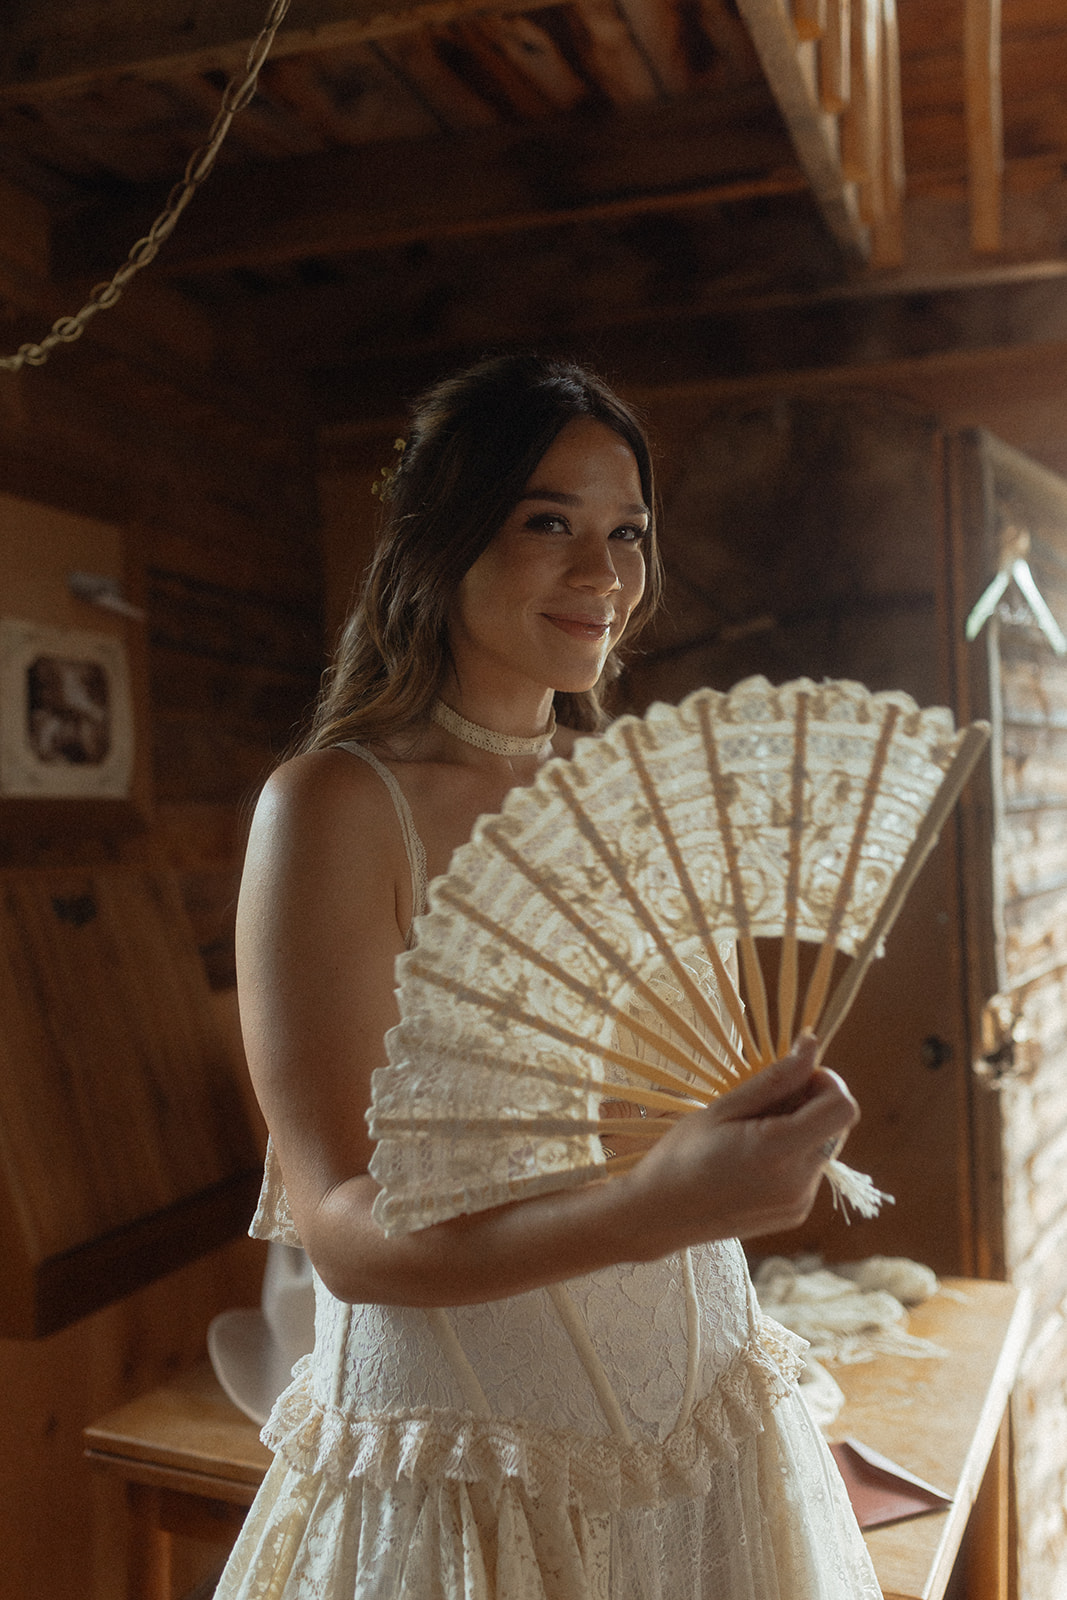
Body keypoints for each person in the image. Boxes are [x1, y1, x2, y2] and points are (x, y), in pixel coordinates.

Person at [216, 354, 881, 1599]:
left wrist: (750, 1131)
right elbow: (344, 1232)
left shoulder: (621, 795)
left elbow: (649, 1117)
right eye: (548, 524)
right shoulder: (334, 806)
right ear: (437, 539)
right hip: (474, 1475)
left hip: (703, 1434)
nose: (604, 575)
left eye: (625, 531)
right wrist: (651, 1209)